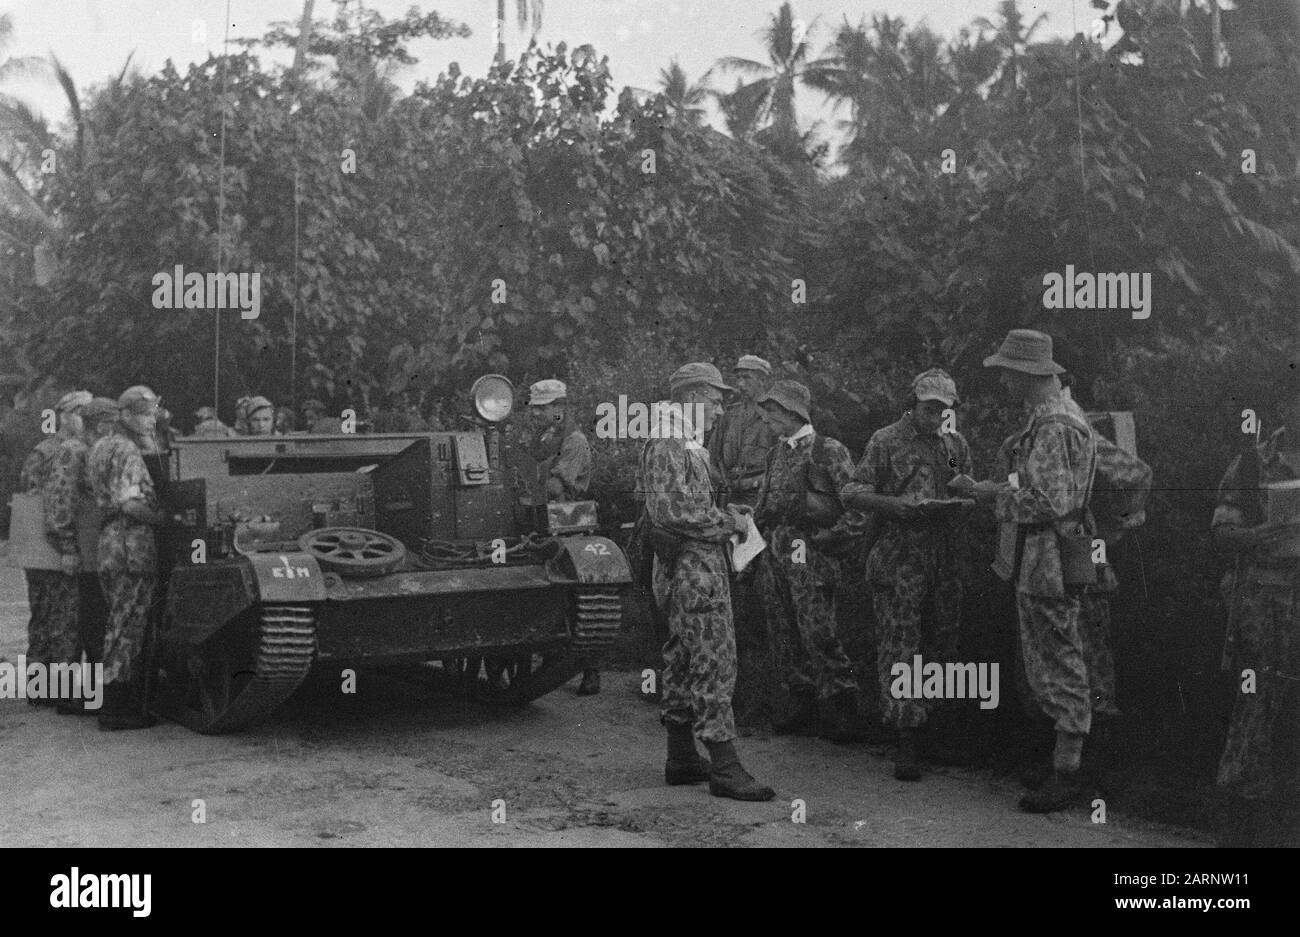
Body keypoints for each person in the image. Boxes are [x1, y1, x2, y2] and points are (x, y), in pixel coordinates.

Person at [955, 331, 1097, 812]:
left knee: (1059, 660)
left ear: (1026, 374)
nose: (1002, 381)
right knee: (1048, 659)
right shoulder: (1052, 418)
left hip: (1049, 561)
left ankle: (1069, 770)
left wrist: (988, 494)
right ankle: (1059, 761)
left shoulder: (1055, 426)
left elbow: (1050, 501)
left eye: (1006, 373)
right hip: (1042, 559)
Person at [640, 362, 774, 801]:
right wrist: (730, 520)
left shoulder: (686, 444)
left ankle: (680, 757)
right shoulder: (669, 444)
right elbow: (673, 512)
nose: (719, 411)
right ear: (693, 398)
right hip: (694, 571)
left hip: (691, 567)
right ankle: (725, 767)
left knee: (680, 657)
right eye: (715, 401)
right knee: (715, 659)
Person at [842, 368, 973, 779]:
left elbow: (965, 484)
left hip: (945, 556)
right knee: (901, 644)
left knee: (943, 640)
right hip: (900, 555)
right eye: (929, 407)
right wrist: (892, 506)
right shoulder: (886, 441)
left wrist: (963, 503)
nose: (936, 416)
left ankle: (935, 730)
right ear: (912, 403)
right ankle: (905, 737)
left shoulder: (954, 444)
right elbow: (851, 492)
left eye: (943, 409)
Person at [1209, 383, 1300, 846]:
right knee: (1256, 698)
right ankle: (1240, 810)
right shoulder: (1252, 463)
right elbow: (1223, 531)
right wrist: (1265, 533)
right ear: (1287, 404)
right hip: (1262, 598)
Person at [751, 379, 866, 743]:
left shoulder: (827, 451)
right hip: (776, 552)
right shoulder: (775, 454)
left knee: (819, 630)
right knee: (782, 629)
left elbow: (858, 508)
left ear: (791, 412)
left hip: (812, 553)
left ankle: (843, 706)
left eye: (772, 414)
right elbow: (764, 506)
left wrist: (830, 539)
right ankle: (802, 703)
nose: (766, 421)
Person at [89, 385, 169, 730]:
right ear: (124, 415)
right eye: (142, 413)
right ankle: (119, 709)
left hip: (110, 543)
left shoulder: (102, 445)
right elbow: (129, 502)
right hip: (130, 545)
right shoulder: (127, 450)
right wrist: (163, 519)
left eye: (151, 413)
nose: (149, 419)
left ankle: (114, 703)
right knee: (127, 625)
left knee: (117, 621)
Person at [707, 356, 779, 727]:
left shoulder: (773, 418)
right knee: (733, 600)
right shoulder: (728, 416)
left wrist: (753, 488)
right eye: (739, 376)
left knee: (757, 606)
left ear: (765, 380)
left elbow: (779, 466)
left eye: (749, 377)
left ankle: (763, 700)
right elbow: (714, 460)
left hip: (760, 513)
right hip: (730, 509)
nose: (742, 382)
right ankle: (735, 695)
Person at [44, 396, 118, 715]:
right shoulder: (74, 450)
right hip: (80, 550)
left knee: (93, 622)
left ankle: (90, 696)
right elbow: (60, 501)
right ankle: (71, 697)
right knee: (75, 624)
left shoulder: (100, 449)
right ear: (99, 423)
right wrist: (67, 548)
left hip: (97, 550)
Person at [18, 390, 91, 706]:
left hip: (63, 543)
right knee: (54, 616)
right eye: (80, 413)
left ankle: (49, 688)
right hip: (48, 546)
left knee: (60, 616)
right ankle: (49, 689)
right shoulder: (46, 451)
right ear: (66, 415)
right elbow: (32, 499)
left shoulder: (80, 449)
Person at [527, 379, 600, 695]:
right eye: (536, 407)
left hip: (569, 523)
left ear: (560, 407)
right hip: (545, 522)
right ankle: (552, 660)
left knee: (578, 601)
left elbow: (557, 486)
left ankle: (590, 670)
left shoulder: (574, 442)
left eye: (543, 407)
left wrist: (525, 491)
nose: (537, 413)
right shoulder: (547, 437)